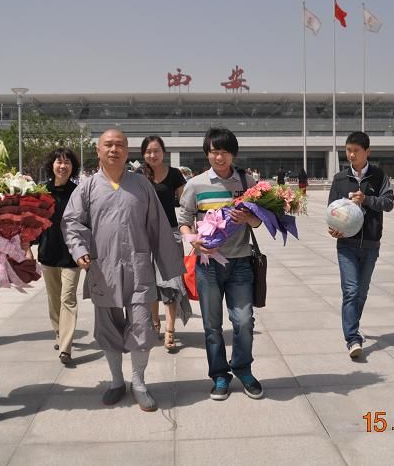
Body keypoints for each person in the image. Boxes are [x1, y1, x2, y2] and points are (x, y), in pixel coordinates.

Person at [62, 129, 184, 412]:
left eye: (119, 145)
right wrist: (79, 250)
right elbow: (71, 222)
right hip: (102, 269)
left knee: (142, 326)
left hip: (138, 268)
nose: (114, 149)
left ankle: (138, 381)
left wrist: (170, 267)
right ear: (98, 150)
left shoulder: (142, 185)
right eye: (108, 145)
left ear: (128, 152)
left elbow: (158, 225)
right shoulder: (87, 187)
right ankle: (117, 381)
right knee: (108, 328)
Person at [178, 127, 264, 401]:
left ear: (233, 154)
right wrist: (194, 241)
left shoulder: (246, 181)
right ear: (207, 153)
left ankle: (243, 368)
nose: (220, 157)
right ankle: (219, 375)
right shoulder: (196, 184)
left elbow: (259, 221)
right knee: (212, 325)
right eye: (215, 151)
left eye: (225, 152)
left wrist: (249, 219)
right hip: (208, 265)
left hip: (241, 263)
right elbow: (184, 221)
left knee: (244, 321)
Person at [327, 132, 394, 359]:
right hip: (346, 245)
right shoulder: (340, 179)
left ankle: (353, 327)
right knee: (351, 291)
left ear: (367, 152)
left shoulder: (379, 176)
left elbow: (388, 203)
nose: (351, 155)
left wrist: (366, 199)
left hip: (371, 244)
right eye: (348, 150)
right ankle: (352, 339)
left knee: (362, 293)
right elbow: (331, 210)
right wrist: (333, 229)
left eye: (356, 150)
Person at [141, 135, 191, 352]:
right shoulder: (138, 175)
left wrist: (191, 228)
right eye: (148, 151)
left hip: (170, 234)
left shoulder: (174, 174)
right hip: (145, 235)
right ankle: (155, 323)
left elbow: (186, 203)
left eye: (156, 151)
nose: (152, 155)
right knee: (150, 283)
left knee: (171, 282)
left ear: (163, 152)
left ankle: (170, 329)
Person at [38, 148, 82, 365]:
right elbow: (33, 222)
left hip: (72, 254)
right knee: (54, 299)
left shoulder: (79, 192)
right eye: (59, 162)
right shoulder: (41, 191)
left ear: (73, 167)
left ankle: (65, 347)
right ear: (52, 165)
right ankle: (58, 331)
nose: (63, 166)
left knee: (68, 298)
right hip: (48, 251)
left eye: (67, 162)